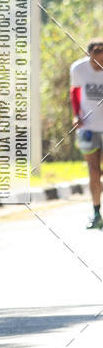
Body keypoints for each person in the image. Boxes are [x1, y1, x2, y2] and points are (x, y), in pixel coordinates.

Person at [70, 37, 103, 229]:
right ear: (89, 56)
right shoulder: (78, 69)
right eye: (95, 59)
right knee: (93, 170)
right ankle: (96, 212)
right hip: (88, 128)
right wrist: (76, 115)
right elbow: (74, 92)